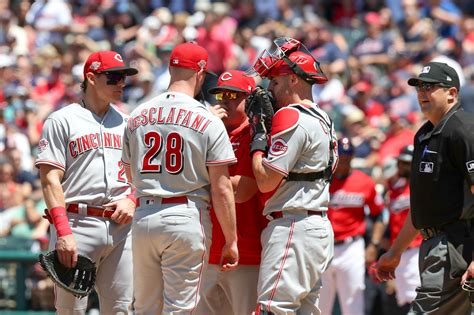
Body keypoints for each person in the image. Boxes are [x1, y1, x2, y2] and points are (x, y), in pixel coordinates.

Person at [121, 42, 239, 314]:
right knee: (181, 309)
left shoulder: (137, 114)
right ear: (200, 73)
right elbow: (222, 189)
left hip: (144, 215)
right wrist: (231, 240)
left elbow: (129, 174)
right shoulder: (208, 120)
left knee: (145, 308)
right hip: (185, 213)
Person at [35, 50, 138, 314]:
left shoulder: (128, 123)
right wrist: (63, 231)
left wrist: (132, 198)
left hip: (120, 227)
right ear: (91, 77)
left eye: (124, 77)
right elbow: (49, 179)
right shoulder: (61, 120)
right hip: (77, 224)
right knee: (71, 311)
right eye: (113, 77)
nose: (121, 84)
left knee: (121, 309)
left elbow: (142, 174)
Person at [374, 62, 474, 314]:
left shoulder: (464, 130)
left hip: (455, 244)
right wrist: (395, 252)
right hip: (432, 245)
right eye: (419, 87)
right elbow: (421, 205)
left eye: (429, 87)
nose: (421, 93)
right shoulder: (424, 135)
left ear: (451, 93)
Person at [248, 37, 338, 314]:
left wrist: (258, 139)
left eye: (275, 81)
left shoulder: (290, 115)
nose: (270, 89)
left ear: (293, 80)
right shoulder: (324, 116)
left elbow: (265, 181)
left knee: (272, 309)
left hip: (293, 226)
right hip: (314, 225)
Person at [195, 70, 268, 315]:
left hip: (245, 250)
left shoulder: (254, 135)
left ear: (250, 100)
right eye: (220, 95)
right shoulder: (209, 133)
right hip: (207, 249)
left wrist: (204, 182)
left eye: (233, 95)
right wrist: (205, 129)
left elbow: (243, 190)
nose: (224, 100)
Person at [319, 137, 385, 315]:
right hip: (323, 246)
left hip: (351, 247)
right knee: (319, 304)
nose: (344, 161)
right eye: (341, 157)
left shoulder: (364, 181)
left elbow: (379, 214)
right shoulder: (321, 180)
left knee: (353, 302)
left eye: (347, 157)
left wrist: (374, 245)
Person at [383, 144, 422, 313]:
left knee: (416, 296)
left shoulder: (421, 186)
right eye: (401, 162)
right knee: (402, 299)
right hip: (398, 251)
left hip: (416, 249)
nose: (402, 166)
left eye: (407, 163)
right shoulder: (394, 189)